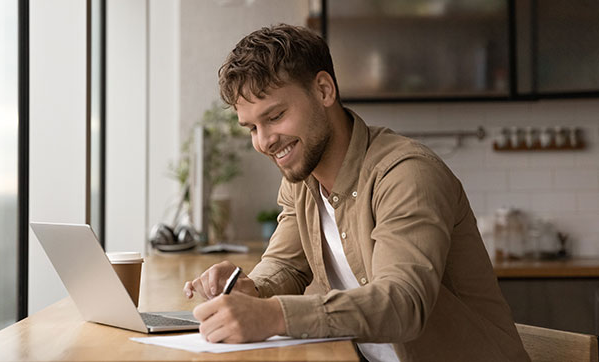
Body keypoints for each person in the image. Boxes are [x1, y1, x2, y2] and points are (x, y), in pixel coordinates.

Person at [183, 24, 530, 362]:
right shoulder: (300, 181)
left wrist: (273, 315)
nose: (264, 141)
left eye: (275, 116)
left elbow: (402, 303)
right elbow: (285, 264)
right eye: (252, 128)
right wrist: (250, 289)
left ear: (323, 90)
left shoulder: (407, 173)